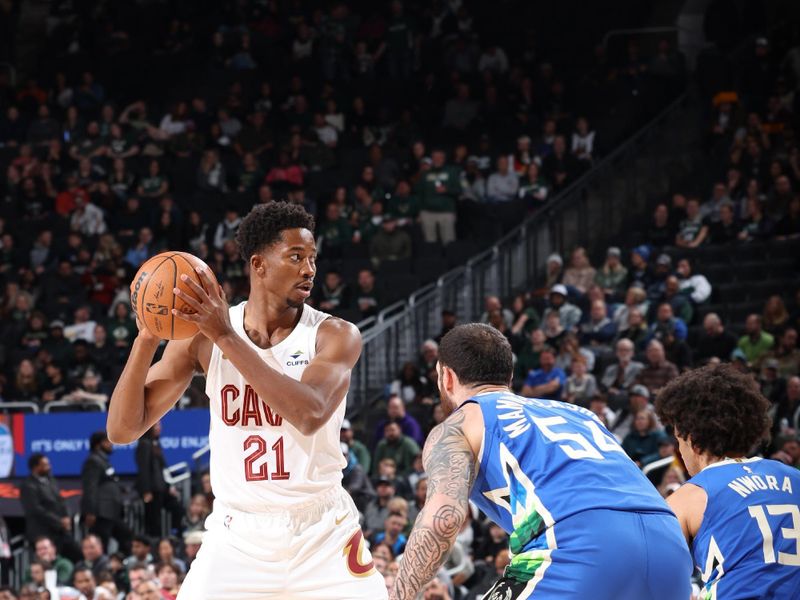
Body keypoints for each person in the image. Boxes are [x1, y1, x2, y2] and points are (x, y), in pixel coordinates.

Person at [107, 202, 386, 598]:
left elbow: (308, 414)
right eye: (295, 257)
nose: (309, 269)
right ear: (259, 265)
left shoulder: (335, 335)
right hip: (237, 535)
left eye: (312, 259)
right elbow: (122, 429)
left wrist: (226, 338)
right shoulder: (202, 337)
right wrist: (147, 336)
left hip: (321, 530)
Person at [389, 324, 691, 600]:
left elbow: (444, 519)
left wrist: (397, 596)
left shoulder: (459, 425)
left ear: (446, 377)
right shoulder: (579, 413)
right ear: (508, 377)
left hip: (581, 544)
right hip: (669, 546)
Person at [656, 364, 800, 599]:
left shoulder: (689, 497)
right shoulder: (793, 475)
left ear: (692, 441)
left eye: (679, 442)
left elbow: (657, 582)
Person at [20, 454, 79, 561]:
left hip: (60, 531)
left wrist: (66, 517)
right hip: (43, 533)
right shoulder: (28, 486)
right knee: (48, 564)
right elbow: (36, 509)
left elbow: (61, 500)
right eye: (45, 465)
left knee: (77, 554)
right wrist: (59, 521)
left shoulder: (51, 480)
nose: (49, 467)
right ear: (36, 467)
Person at [81, 432, 130, 555]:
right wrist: (90, 511)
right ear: (98, 445)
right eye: (107, 442)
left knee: (127, 537)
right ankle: (101, 570)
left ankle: (118, 565)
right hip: (101, 512)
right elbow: (90, 488)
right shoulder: (93, 461)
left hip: (111, 512)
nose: (111, 444)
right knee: (102, 545)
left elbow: (106, 482)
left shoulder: (103, 460)